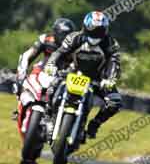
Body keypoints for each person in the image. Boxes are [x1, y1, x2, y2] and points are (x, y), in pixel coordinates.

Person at [44, 11, 122, 140]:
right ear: (85, 27)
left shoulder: (110, 43)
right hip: (73, 72)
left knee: (115, 102)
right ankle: (48, 117)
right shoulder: (74, 37)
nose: (95, 34)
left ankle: (94, 125)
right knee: (52, 85)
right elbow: (59, 52)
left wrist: (111, 79)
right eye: (92, 29)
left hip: (97, 79)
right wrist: (51, 64)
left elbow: (115, 62)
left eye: (99, 30)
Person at [12, 18, 76, 119]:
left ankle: (60, 117)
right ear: (55, 32)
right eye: (62, 34)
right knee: (21, 84)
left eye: (68, 35)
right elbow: (28, 56)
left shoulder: (74, 47)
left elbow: (77, 65)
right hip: (42, 70)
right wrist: (21, 75)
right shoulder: (45, 39)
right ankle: (19, 108)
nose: (64, 38)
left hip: (62, 76)